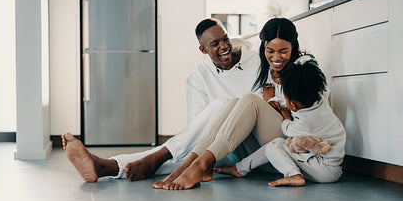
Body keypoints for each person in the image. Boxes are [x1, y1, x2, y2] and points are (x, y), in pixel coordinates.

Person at [62, 18, 260, 182]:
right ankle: (109, 167)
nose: (224, 46)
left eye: (225, 39)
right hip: (223, 147)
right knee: (187, 154)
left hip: (255, 142)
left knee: (226, 104)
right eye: (215, 44)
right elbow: (197, 129)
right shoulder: (198, 77)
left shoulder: (257, 61)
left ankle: (155, 157)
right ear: (203, 50)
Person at [153, 17, 308, 190]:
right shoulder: (267, 67)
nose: (276, 57)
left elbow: (304, 111)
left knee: (248, 100)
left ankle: (200, 166)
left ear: (293, 46)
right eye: (270, 50)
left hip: (292, 143)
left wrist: (273, 103)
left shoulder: (303, 66)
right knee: (234, 102)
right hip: (263, 151)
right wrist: (268, 101)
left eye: (283, 51)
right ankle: (190, 165)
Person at [215, 56, 346, 187]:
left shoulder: (306, 123)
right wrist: (273, 100)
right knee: (275, 145)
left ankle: (293, 175)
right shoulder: (320, 101)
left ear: (293, 106)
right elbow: (294, 104)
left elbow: (287, 129)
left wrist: (286, 118)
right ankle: (239, 168)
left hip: (322, 170)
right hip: (332, 166)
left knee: (275, 145)